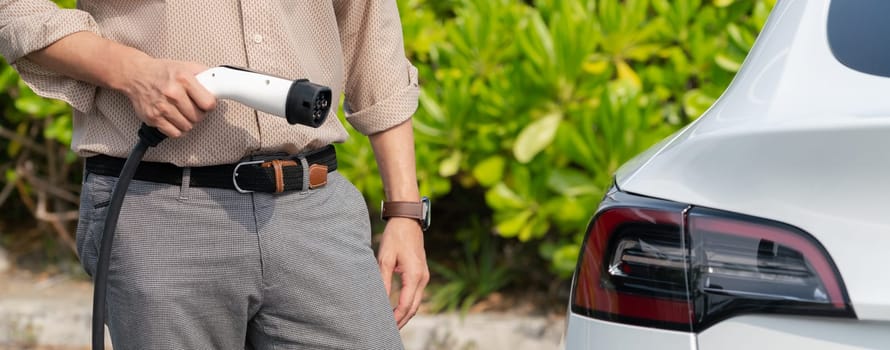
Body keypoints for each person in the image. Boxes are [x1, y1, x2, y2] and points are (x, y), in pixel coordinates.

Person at [0, 1, 429, 349]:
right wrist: (132, 72)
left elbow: (372, 35)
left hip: (313, 209)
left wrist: (406, 211)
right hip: (161, 212)